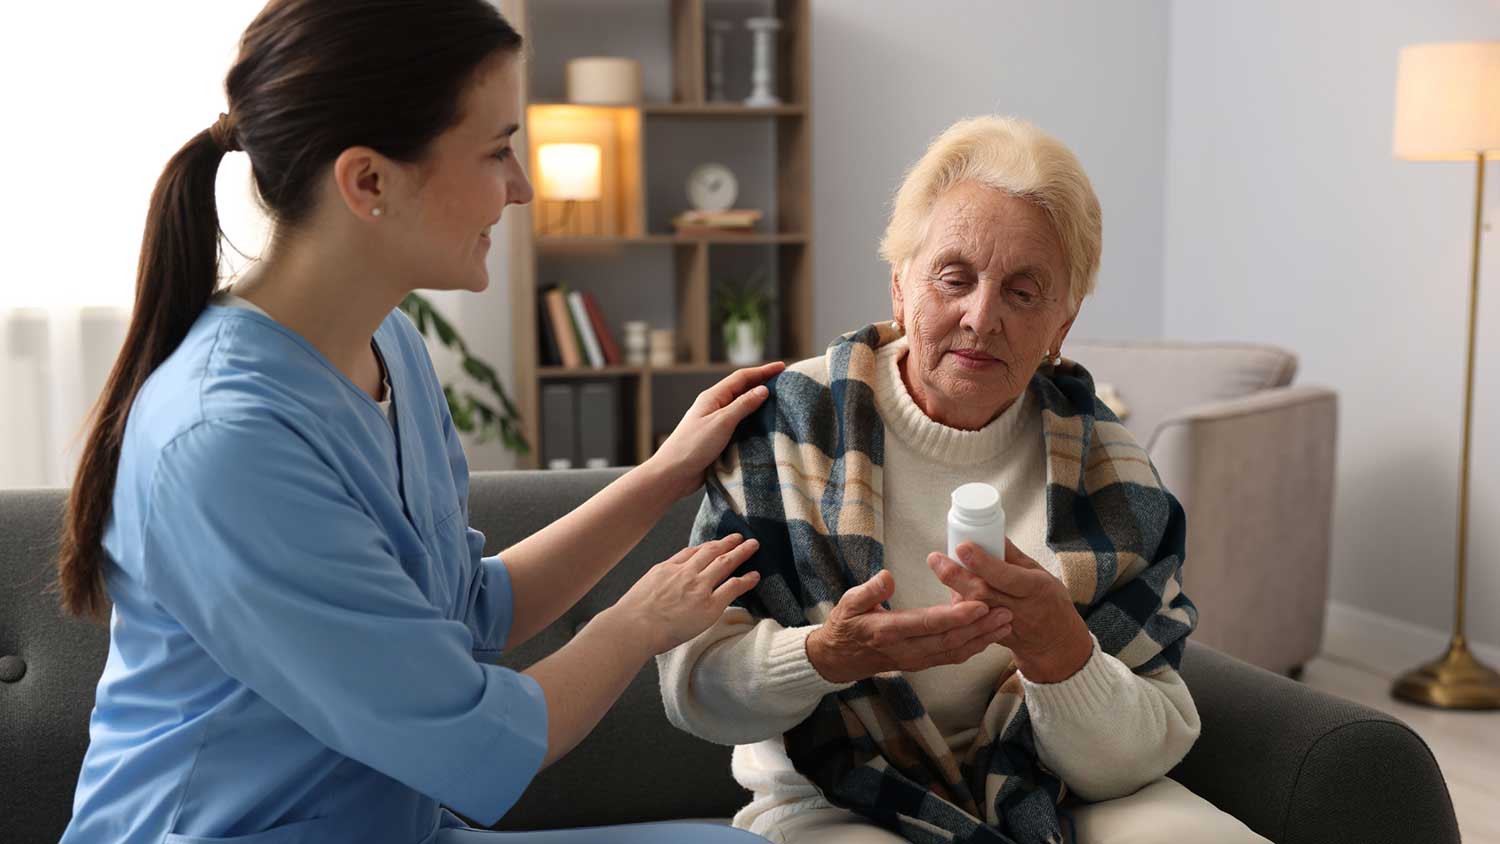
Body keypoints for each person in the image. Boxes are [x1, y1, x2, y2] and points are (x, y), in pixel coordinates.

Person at [55, 2, 776, 842]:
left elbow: (468, 607)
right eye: (498, 149)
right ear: (368, 182)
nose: (523, 187)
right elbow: (473, 742)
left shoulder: (387, 344)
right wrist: (638, 622)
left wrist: (662, 477)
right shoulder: (223, 441)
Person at [659, 116, 1270, 843]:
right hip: (833, 798)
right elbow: (693, 688)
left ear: (1062, 323)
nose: (981, 318)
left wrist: (1063, 656)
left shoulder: (1113, 470)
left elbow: (1137, 755)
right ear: (900, 288)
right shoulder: (786, 432)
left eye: (1022, 292)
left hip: (1056, 787)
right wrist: (827, 655)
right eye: (954, 278)